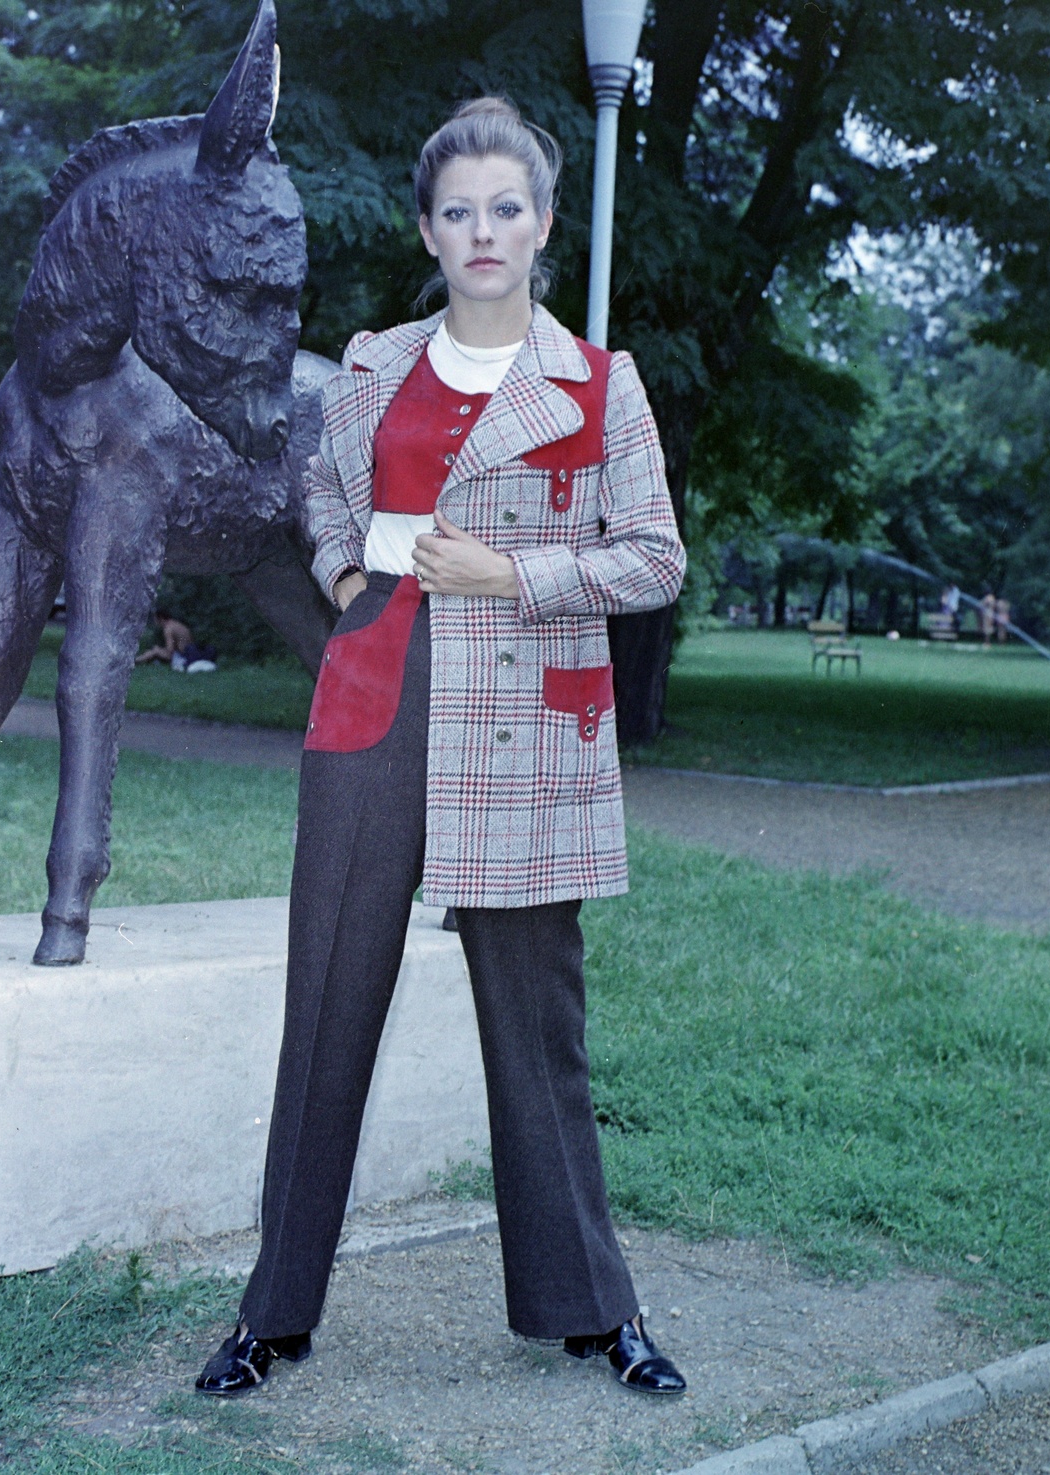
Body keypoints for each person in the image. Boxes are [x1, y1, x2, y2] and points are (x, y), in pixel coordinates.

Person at [195, 98, 688, 1400]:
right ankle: (273, 1313)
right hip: (377, 691)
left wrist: (512, 571)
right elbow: (318, 491)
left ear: (541, 225)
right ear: (428, 229)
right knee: (328, 1006)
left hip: (523, 700)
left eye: (507, 208)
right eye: (458, 211)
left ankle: (594, 1306)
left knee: (537, 1017)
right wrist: (338, 570)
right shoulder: (373, 367)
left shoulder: (596, 381)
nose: (484, 231)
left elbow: (654, 560)